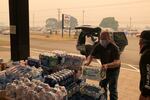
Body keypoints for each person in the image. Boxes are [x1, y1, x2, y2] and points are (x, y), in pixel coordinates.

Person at [84, 31, 121, 100]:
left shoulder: (114, 48)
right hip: (104, 69)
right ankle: (103, 98)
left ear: (109, 39)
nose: (102, 40)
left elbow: (117, 62)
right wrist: (88, 62)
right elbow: (91, 55)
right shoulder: (99, 46)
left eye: (104, 39)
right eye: (101, 39)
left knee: (112, 88)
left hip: (114, 70)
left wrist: (108, 65)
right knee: (102, 86)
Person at [139, 30, 150, 100]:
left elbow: (148, 77)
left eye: (140, 39)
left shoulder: (147, 54)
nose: (138, 43)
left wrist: (144, 94)